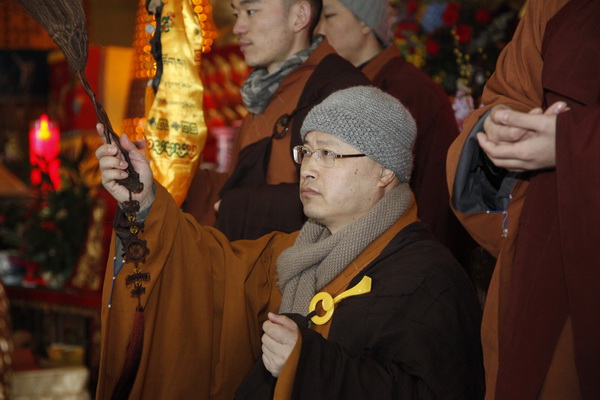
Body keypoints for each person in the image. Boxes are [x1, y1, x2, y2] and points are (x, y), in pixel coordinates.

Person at [96, 86, 484, 399]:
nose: (309, 168)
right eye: (307, 151)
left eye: (328, 153)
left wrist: (307, 363)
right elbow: (208, 274)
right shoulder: (293, 254)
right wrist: (144, 202)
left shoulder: (429, 279)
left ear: (384, 171)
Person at [447, 0, 600, 398]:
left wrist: (573, 142)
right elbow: (507, 95)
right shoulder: (553, 6)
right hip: (539, 255)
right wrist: (501, 130)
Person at [184, 0, 370, 241]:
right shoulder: (264, 90)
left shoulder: (339, 89)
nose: (238, 27)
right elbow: (235, 181)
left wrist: (236, 205)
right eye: (236, 14)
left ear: (299, 16)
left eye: (251, 12)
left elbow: (346, 199)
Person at [315, 0, 476, 268]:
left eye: (330, 16)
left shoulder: (409, 91)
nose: (320, 30)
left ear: (366, 23)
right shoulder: (347, 86)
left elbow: (432, 196)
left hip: (403, 259)